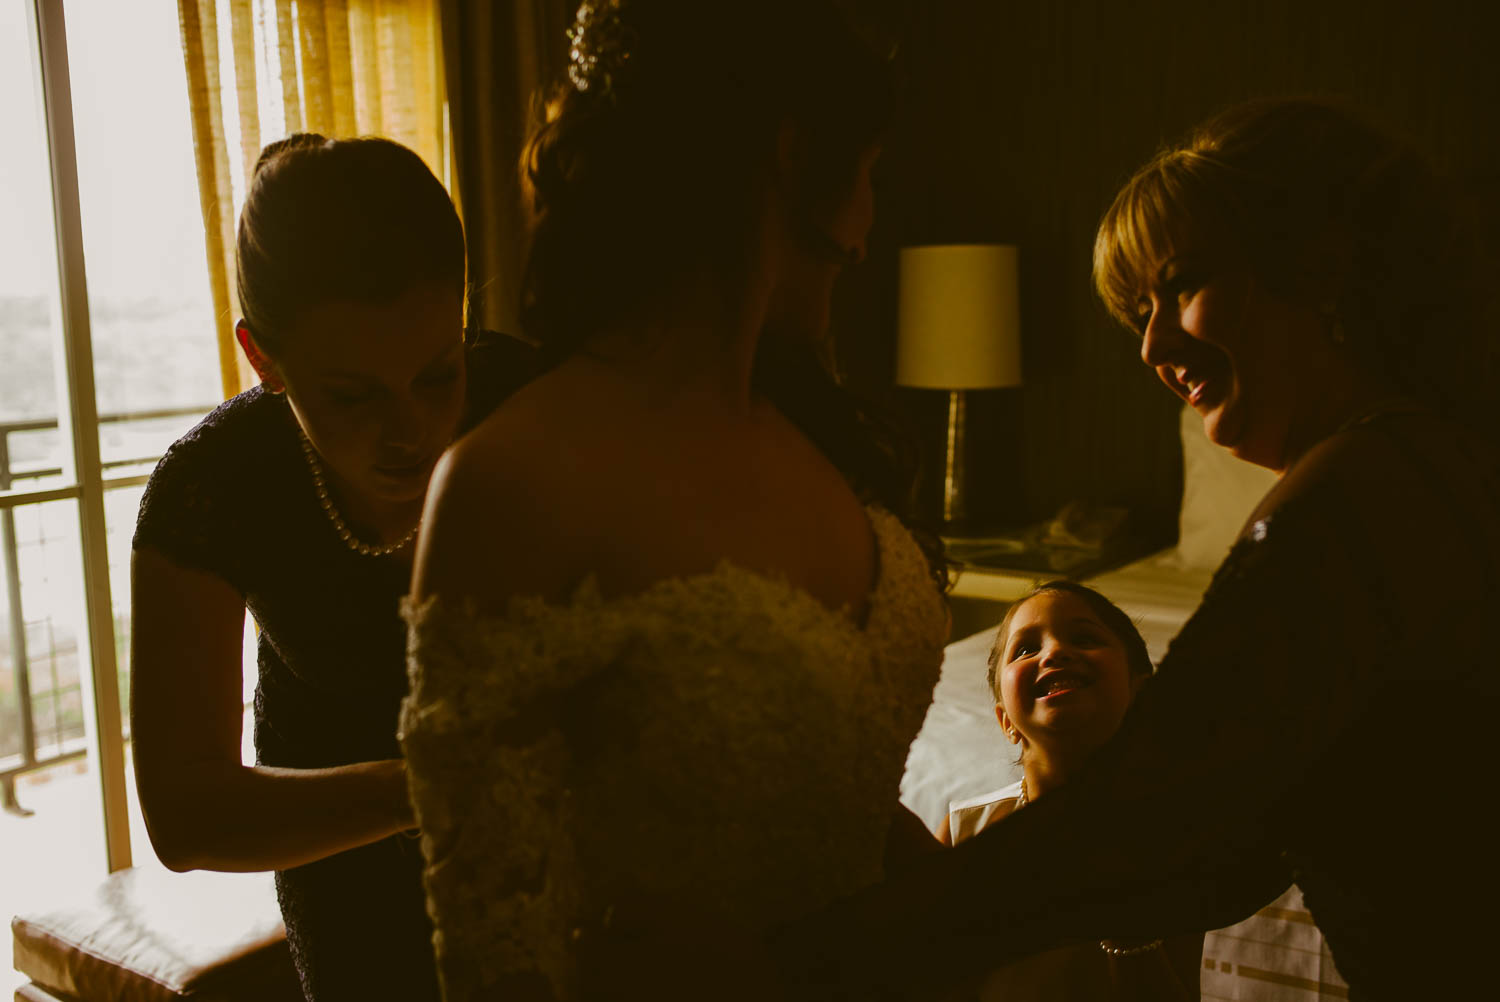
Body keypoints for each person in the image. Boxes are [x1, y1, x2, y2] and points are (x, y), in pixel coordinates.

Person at [768, 96, 1499, 1000]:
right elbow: (1223, 853)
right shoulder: (1437, 460)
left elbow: (1148, 829)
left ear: (1318, 264)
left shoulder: (1354, 503)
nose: (1153, 345)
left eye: (1181, 284)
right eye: (1138, 312)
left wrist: (809, 956)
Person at [397, 1, 950, 998]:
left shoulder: (819, 434)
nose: (868, 228)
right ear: (790, 158)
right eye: (867, 172)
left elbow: (846, 800)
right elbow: (494, 953)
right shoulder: (514, 480)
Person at [130, 134, 536, 1001]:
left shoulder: (532, 407)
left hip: (544, 839)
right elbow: (183, 816)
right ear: (261, 358)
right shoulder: (213, 487)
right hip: (339, 859)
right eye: (352, 396)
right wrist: (427, 787)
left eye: (438, 374)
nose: (410, 431)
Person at [936, 581, 1200, 1001]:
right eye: (1025, 650)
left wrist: (1126, 918)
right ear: (1006, 722)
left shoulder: (1170, 840)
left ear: (1141, 694)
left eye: (1084, 638)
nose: (1054, 651)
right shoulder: (966, 833)